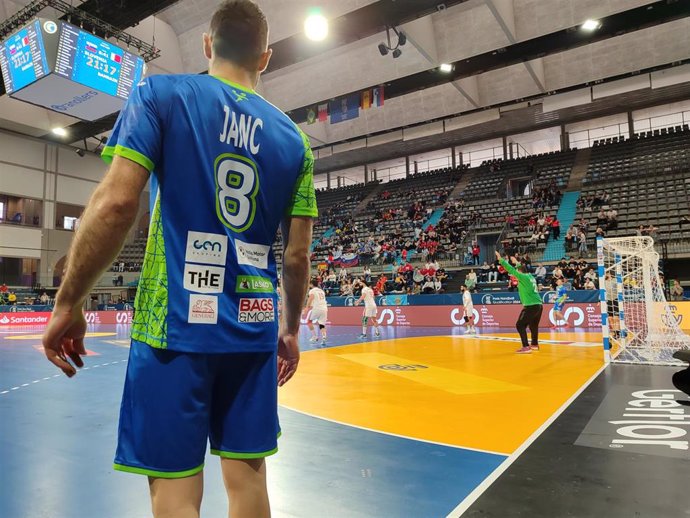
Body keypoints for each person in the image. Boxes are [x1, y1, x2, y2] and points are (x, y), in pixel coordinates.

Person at [41, 2, 317, 517]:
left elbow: (119, 202)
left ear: (207, 46)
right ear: (266, 57)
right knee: (250, 488)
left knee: (175, 495)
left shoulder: (160, 94)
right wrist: (289, 330)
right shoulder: (297, 142)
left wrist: (69, 299)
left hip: (174, 327)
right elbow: (297, 257)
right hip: (254, 332)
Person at [495, 251, 543, 354]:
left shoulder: (523, 277)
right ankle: (534, 344)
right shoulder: (530, 276)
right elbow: (521, 269)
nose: (517, 274)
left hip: (530, 305)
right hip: (538, 305)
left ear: (520, 272)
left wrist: (500, 260)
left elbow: (511, 270)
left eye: (518, 271)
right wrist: (516, 262)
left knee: (520, 325)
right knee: (533, 326)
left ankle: (526, 347)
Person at [304, 278, 328, 344]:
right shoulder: (322, 291)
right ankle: (324, 337)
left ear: (311, 284)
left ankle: (314, 336)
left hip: (317, 308)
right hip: (324, 309)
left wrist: (306, 308)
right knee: (322, 325)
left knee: (309, 322)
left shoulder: (312, 291)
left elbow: (310, 298)